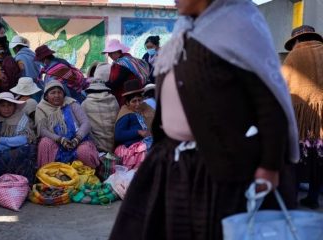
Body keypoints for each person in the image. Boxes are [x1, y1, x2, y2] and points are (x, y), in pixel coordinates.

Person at [109, 0, 299, 239]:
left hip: (216, 168)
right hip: (171, 160)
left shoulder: (238, 29)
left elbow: (270, 104)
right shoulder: (185, 33)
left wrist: (269, 165)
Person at [282, 25, 323, 209]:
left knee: (297, 155)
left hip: (301, 121)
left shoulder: (292, 57)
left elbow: (282, 86)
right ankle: (313, 197)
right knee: (320, 157)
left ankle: (291, 197)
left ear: (297, 40)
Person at [36, 81, 99, 168]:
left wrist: (77, 138)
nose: (57, 95)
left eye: (59, 92)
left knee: (84, 150)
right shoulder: (41, 108)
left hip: (78, 141)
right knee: (44, 143)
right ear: (46, 96)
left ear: (64, 94)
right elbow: (42, 130)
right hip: (56, 143)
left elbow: (85, 123)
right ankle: (48, 172)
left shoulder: (72, 103)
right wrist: (60, 139)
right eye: (53, 93)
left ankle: (90, 174)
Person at [0, 92, 37, 184]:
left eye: (10, 105)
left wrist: (1, 140)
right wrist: (5, 148)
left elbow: (25, 138)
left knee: (27, 148)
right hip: (1, 150)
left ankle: (23, 182)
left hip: (18, 149)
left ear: (14, 106)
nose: (6, 109)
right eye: (3, 106)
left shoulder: (22, 118)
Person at [114, 79, 154, 170]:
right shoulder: (125, 114)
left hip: (146, 142)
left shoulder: (146, 108)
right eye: (134, 101)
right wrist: (138, 132)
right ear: (127, 103)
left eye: (139, 100)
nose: (138, 104)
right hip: (132, 149)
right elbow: (118, 135)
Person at [82, 63, 119, 153]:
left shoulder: (85, 104)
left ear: (90, 90)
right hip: (115, 145)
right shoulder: (114, 99)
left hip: (98, 148)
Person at [103, 39, 150, 106]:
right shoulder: (125, 60)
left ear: (117, 52)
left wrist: (104, 85)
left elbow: (119, 81)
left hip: (129, 96)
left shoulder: (124, 63)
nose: (109, 56)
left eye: (110, 53)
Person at [9, 35, 42, 102]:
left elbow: (21, 71)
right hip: (38, 87)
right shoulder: (34, 56)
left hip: (26, 89)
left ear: (16, 47)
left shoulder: (19, 58)